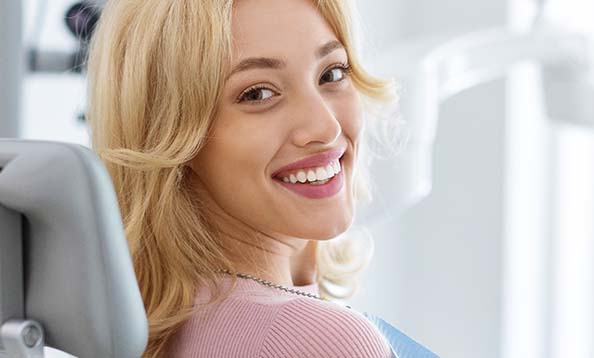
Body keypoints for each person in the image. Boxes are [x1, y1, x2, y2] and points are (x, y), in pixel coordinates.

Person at [87, 0, 437, 357]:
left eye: (332, 74)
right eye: (258, 94)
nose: (325, 127)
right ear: (172, 134)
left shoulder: (164, 323)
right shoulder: (323, 341)